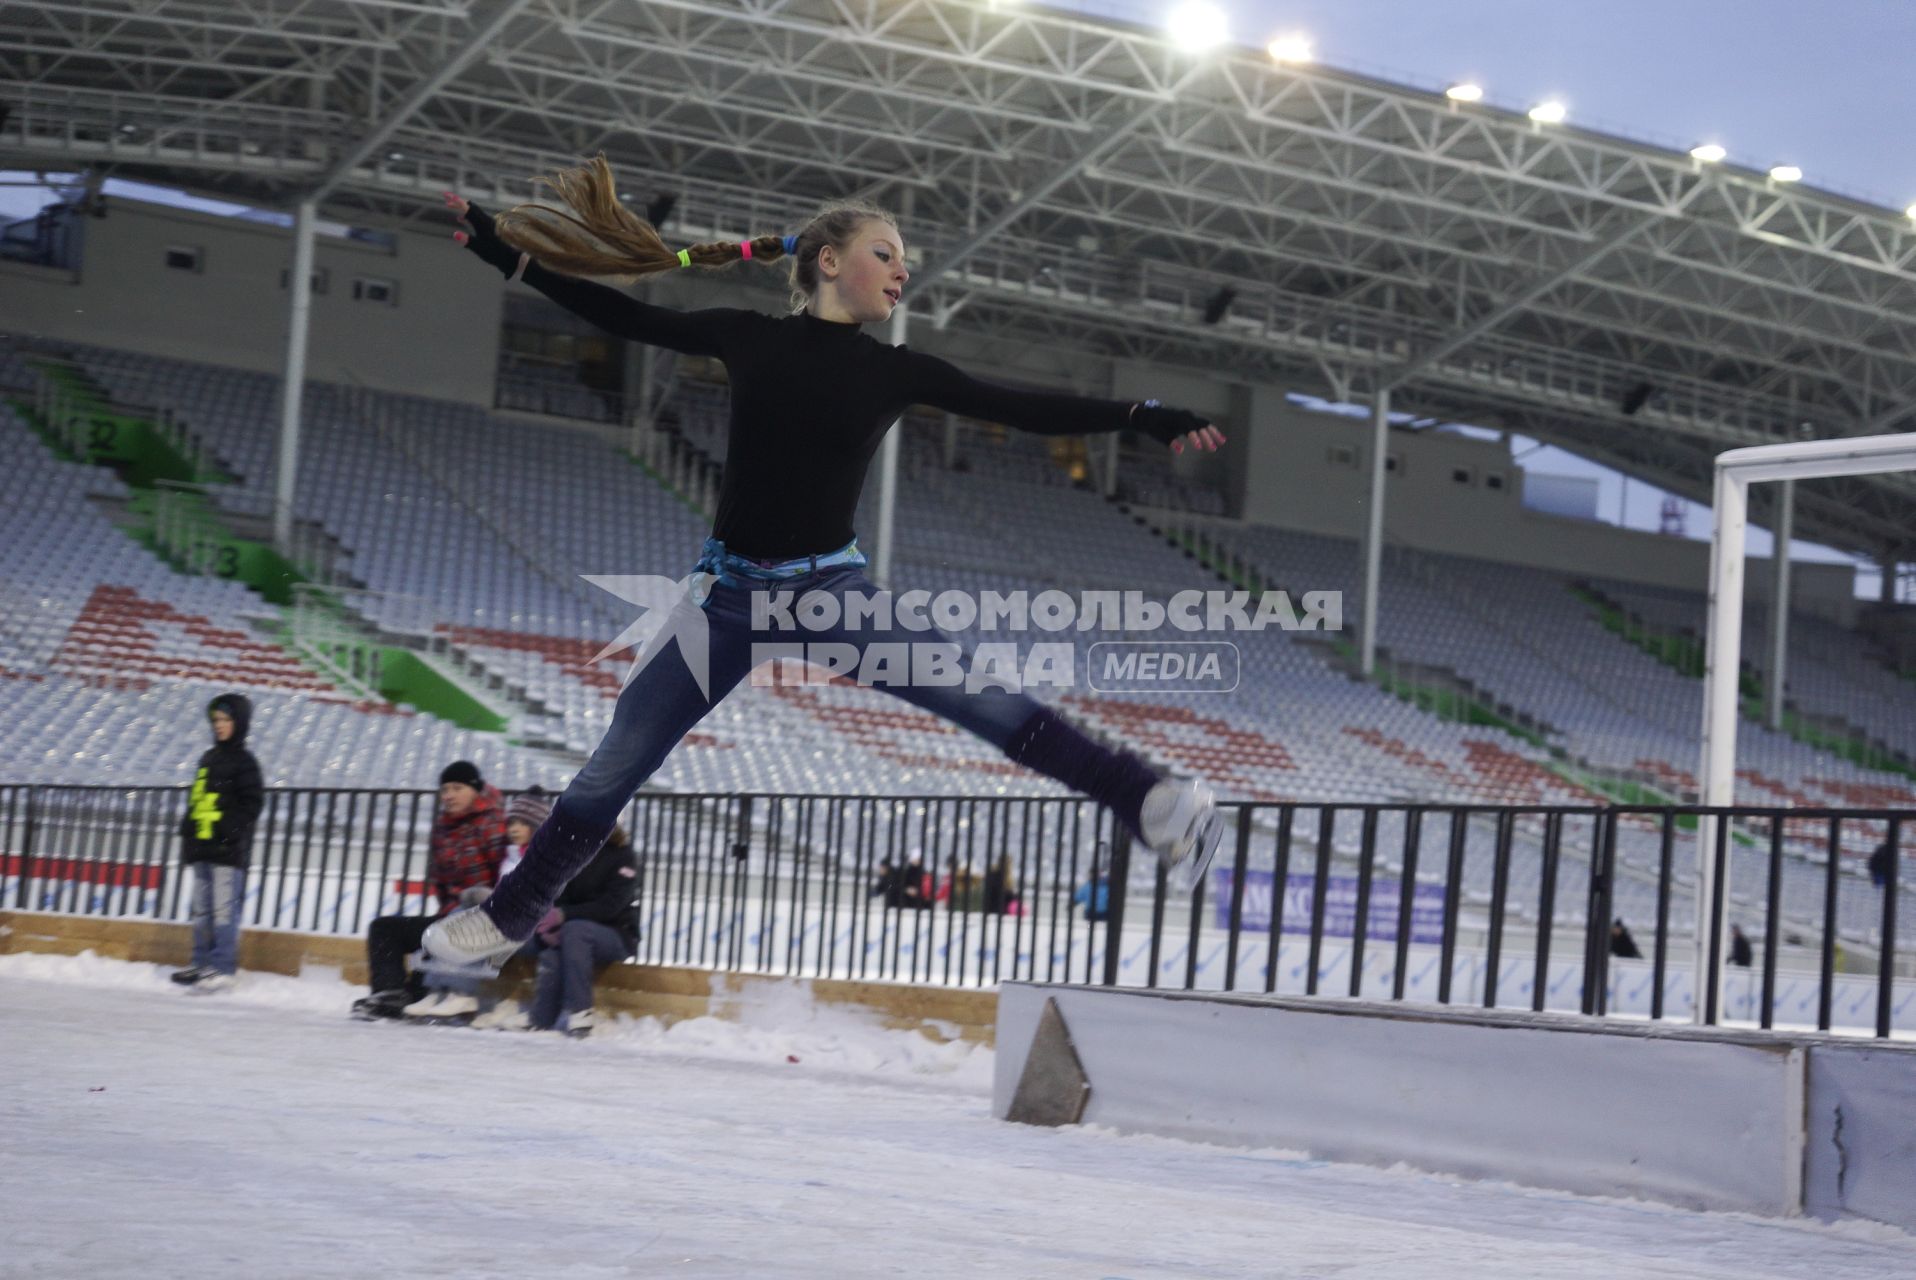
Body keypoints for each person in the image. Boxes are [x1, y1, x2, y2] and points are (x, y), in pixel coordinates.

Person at [423, 158, 1230, 974]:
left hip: (829, 594)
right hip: (726, 600)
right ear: (830, 260)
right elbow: (623, 318)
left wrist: (1140, 415)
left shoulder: (894, 368)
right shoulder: (747, 335)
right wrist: (514, 260)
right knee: (617, 761)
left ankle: (1150, 800)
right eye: (886, 251)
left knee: (976, 697)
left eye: (903, 259)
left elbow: (1019, 406)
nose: (903, 268)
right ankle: (513, 913)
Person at [350, 762, 505, 1020]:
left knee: (442, 934)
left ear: (475, 790)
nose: (448, 796)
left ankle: (418, 993)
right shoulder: (443, 827)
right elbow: (441, 884)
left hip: (483, 920)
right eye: (444, 789)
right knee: (385, 928)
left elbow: (505, 878)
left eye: (457, 788)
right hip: (448, 917)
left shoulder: (492, 825)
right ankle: (390, 993)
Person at [170, 694, 264, 994]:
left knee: (224, 910)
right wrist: (188, 830)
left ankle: (223, 967)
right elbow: (197, 797)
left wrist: (227, 828)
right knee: (201, 909)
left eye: (226, 720)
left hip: (227, 850)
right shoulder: (208, 758)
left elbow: (252, 804)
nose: (220, 726)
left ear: (240, 723)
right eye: (216, 721)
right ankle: (201, 962)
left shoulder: (246, 762)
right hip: (202, 847)